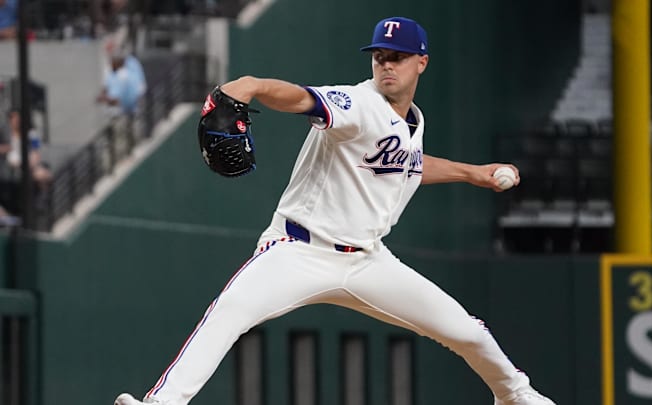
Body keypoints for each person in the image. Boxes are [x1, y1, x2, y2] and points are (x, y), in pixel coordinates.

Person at [114, 17, 555, 405]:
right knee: (229, 312)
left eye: (397, 57)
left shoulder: (411, 122)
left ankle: (515, 395)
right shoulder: (357, 103)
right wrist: (251, 85)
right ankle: (162, 402)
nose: (386, 64)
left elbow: (409, 164)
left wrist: (474, 173)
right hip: (298, 251)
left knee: (467, 331)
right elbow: (300, 98)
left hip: (368, 260)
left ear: (421, 62)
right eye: (380, 55)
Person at [3, 110, 52, 185]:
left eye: (19, 119)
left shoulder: (31, 134)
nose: (17, 122)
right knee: (42, 175)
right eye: (14, 120)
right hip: (13, 165)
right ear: (10, 121)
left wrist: (32, 162)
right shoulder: (6, 136)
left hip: (30, 164)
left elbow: (36, 150)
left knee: (43, 175)